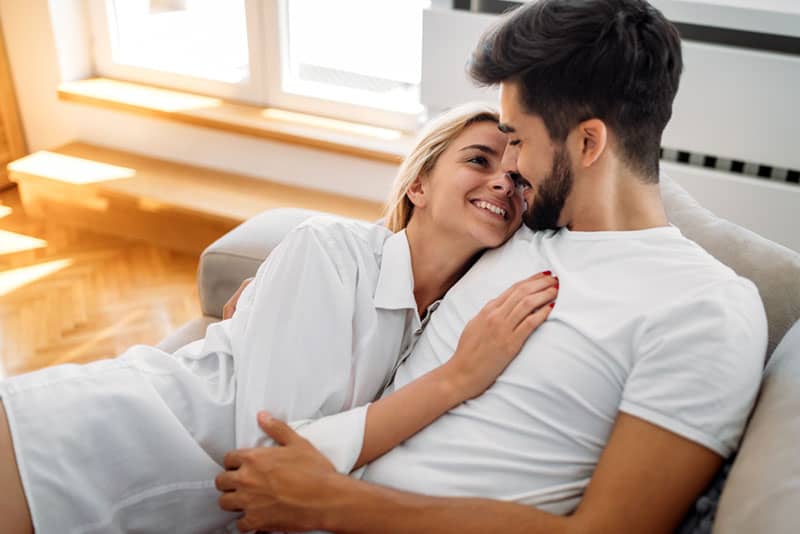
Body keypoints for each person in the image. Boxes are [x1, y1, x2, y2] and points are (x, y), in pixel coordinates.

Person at [214, 1, 768, 532]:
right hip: (288, 498)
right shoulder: (516, 229)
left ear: (588, 143)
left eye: (519, 141)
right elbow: (406, 240)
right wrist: (291, 289)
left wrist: (333, 504)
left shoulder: (705, 307)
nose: (508, 168)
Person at [0, 103, 559, 533]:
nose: (502, 182)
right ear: (418, 184)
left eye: (517, 177)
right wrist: (456, 379)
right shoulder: (329, 250)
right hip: (71, 445)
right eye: (479, 159)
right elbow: (268, 466)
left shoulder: (443, 322)